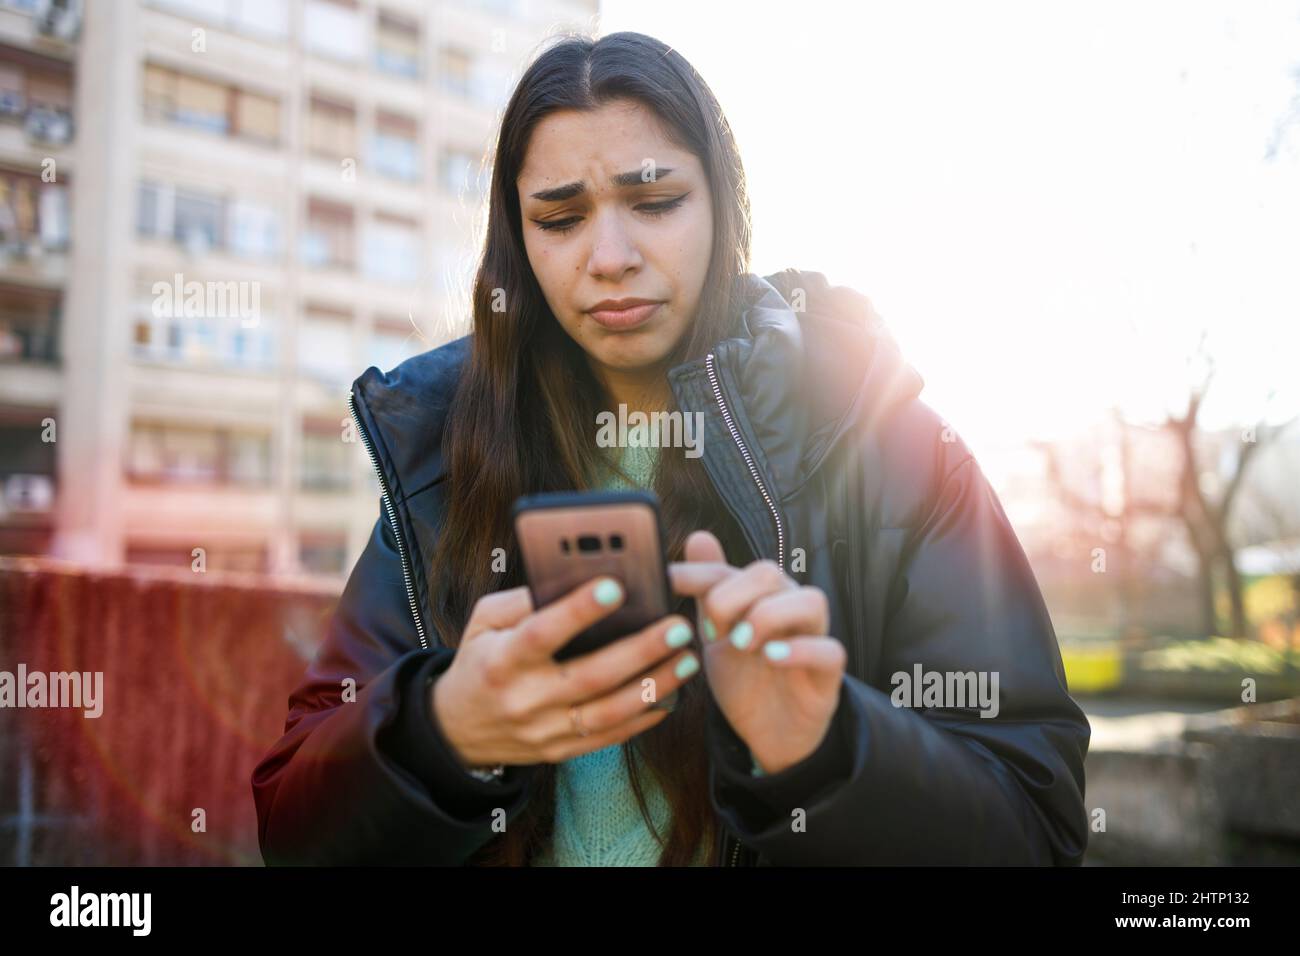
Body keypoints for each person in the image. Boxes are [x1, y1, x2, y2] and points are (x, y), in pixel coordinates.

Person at [251, 30, 1090, 867]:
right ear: (518, 239)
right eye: (561, 216)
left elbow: (1034, 831)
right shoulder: (438, 454)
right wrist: (440, 735)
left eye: (654, 202)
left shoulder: (888, 443)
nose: (610, 258)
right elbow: (294, 833)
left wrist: (828, 750)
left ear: (724, 207)